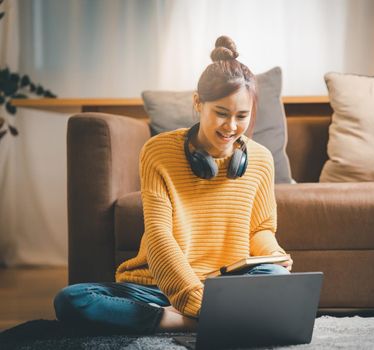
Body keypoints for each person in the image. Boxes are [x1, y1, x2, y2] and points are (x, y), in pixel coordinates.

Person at [53, 35, 293, 334]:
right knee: (72, 299)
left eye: (241, 116)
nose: (231, 126)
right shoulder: (158, 152)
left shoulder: (260, 159)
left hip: (224, 285)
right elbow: (159, 236)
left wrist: (276, 256)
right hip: (159, 286)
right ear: (198, 103)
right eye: (221, 113)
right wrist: (195, 300)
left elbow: (260, 229)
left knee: (275, 277)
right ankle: (186, 319)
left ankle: (188, 319)